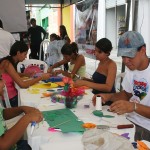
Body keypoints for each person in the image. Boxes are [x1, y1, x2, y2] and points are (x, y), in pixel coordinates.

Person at [93, 31, 150, 141]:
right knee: (95, 131)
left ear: (143, 50)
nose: (125, 61)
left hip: (146, 128)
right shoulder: (132, 69)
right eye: (123, 56)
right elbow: (126, 94)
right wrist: (109, 97)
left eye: (129, 56)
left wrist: (133, 107)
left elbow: (131, 104)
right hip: (128, 120)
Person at [0, 41, 50, 107]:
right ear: (18, 53)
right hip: (11, 100)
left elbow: (13, 73)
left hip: (13, 96)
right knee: (38, 101)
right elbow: (23, 85)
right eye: (25, 54)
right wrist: (41, 77)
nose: (26, 57)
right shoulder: (7, 64)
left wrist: (26, 75)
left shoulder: (9, 61)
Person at [0, 76, 43, 150]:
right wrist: (27, 118)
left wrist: (22, 109)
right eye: (0, 79)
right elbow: (3, 145)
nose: (4, 83)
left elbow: (2, 113)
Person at [74, 38, 117, 105]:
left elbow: (108, 87)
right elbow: (99, 82)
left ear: (107, 53)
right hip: (95, 97)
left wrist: (85, 83)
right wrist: (87, 80)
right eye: (95, 51)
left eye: (99, 52)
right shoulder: (101, 63)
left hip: (105, 100)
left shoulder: (111, 65)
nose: (96, 54)